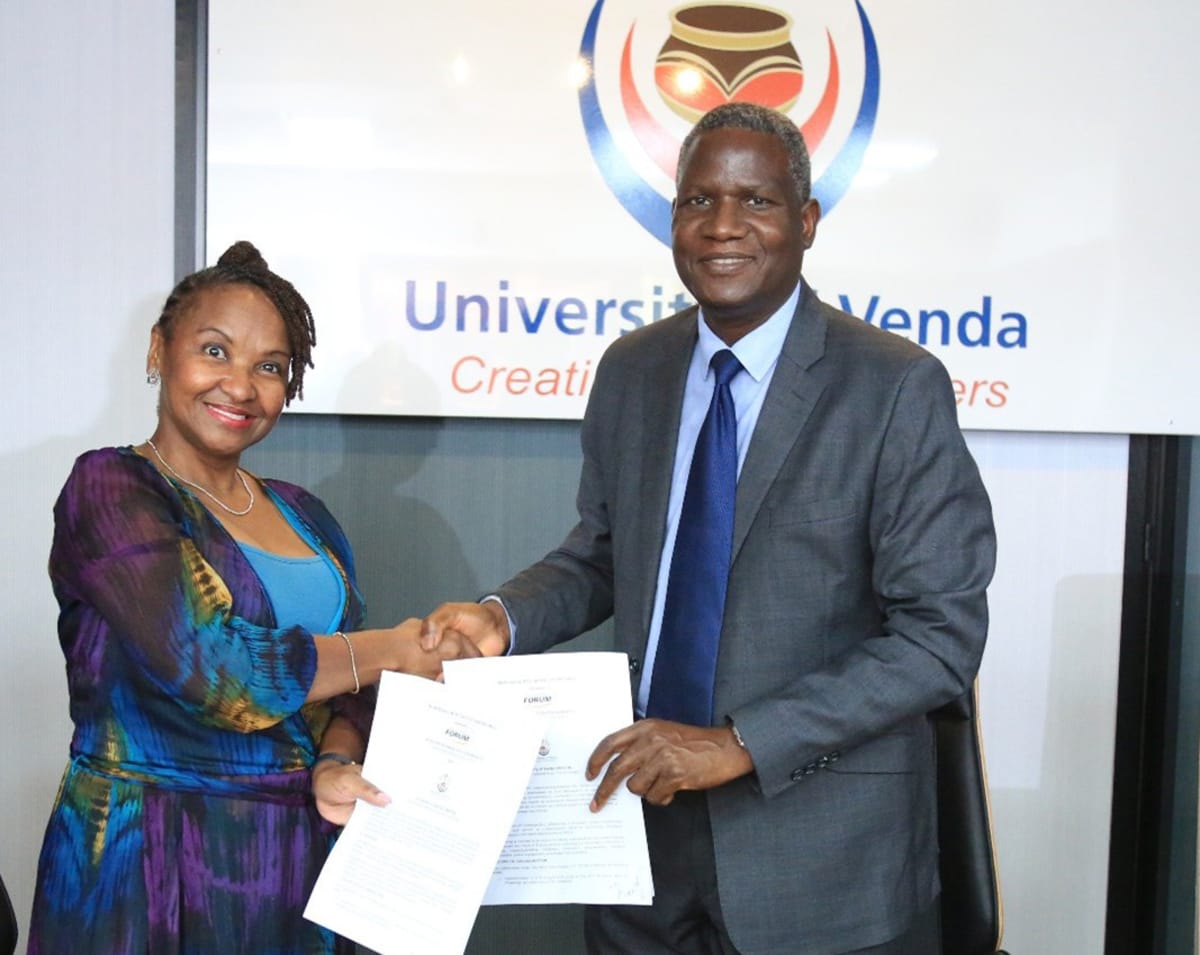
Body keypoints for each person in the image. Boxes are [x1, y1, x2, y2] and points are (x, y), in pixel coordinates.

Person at [423, 103, 997, 955]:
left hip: (819, 857)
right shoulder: (633, 369)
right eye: (699, 201)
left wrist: (738, 744)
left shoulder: (892, 387)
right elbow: (607, 553)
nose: (723, 226)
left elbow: (939, 637)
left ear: (806, 221)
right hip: (639, 833)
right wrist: (502, 618)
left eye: (756, 201)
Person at [27, 241, 478, 954]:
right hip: (147, 861)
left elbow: (348, 690)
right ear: (158, 350)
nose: (241, 385)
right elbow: (217, 670)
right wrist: (396, 647)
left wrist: (334, 760)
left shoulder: (308, 516)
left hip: (294, 862)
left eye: (270, 366)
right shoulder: (110, 488)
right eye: (215, 350)